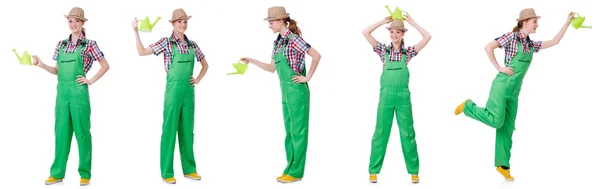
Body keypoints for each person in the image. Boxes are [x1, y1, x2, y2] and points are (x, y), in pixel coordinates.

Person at [454, 8, 575, 181]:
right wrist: (499, 68)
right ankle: (468, 107)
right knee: (496, 120)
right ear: (525, 23)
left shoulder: (531, 45)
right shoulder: (512, 37)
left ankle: (503, 165)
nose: (537, 25)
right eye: (535, 22)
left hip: (514, 92)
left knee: (507, 127)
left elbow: (555, 41)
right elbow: (488, 47)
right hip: (502, 85)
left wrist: (567, 23)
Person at [240, 6, 321, 184]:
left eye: (271, 22)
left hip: (298, 92)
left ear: (281, 21)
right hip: (284, 92)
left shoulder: (294, 40)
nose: (269, 26)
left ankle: (297, 172)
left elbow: (316, 55)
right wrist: (251, 61)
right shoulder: (277, 43)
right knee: (289, 133)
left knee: (298, 132)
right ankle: (289, 168)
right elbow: (271, 69)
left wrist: (307, 77)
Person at [32, 7, 110, 186]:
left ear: (83, 23)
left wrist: (90, 80)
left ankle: (85, 173)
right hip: (62, 95)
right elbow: (57, 71)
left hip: (79, 94)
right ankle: (57, 173)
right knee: (61, 134)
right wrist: (42, 65)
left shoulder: (90, 44)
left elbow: (105, 65)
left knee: (82, 134)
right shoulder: (61, 44)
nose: (73, 24)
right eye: (70, 21)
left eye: (76, 20)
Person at [131, 8, 208, 184]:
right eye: (179, 22)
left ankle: (190, 169)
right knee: (169, 131)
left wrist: (197, 80)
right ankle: (167, 172)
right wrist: (135, 31)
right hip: (172, 92)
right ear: (173, 24)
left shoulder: (192, 45)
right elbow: (142, 52)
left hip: (189, 93)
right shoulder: (166, 42)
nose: (183, 24)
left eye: (185, 21)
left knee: (187, 131)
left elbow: (205, 65)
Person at [362, 13, 431, 184]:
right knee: (380, 134)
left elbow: (427, 37)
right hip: (386, 97)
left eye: (397, 32)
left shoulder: (408, 53)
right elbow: (365, 33)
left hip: (403, 98)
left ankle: (414, 172)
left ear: (402, 34)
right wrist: (383, 21)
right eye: (391, 32)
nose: (394, 35)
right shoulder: (382, 51)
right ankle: (373, 171)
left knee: (408, 134)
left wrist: (412, 22)